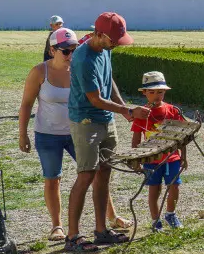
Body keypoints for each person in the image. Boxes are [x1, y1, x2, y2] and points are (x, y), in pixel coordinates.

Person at [17, 27, 126, 240]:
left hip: (79, 130)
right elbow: (26, 104)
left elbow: (105, 85)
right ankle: (57, 226)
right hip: (48, 133)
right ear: (52, 50)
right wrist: (23, 134)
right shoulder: (40, 72)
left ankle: (111, 217)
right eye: (65, 51)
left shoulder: (79, 67)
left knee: (95, 174)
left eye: (74, 50)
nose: (70, 55)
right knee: (53, 178)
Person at [66, 12, 147, 252]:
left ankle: (101, 231)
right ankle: (72, 237)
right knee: (86, 175)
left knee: (104, 173)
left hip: (106, 119)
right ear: (99, 34)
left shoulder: (106, 50)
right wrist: (128, 109)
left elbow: (109, 81)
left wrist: (123, 110)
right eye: (112, 40)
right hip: (86, 120)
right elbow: (95, 99)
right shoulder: (83, 59)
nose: (115, 45)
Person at [131, 70, 187, 232]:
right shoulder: (141, 114)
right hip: (150, 159)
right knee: (154, 189)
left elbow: (182, 135)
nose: (156, 95)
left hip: (172, 157)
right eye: (152, 92)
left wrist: (183, 156)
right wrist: (136, 159)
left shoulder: (173, 111)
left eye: (160, 92)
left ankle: (170, 214)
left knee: (174, 186)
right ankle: (156, 221)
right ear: (144, 93)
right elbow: (136, 139)